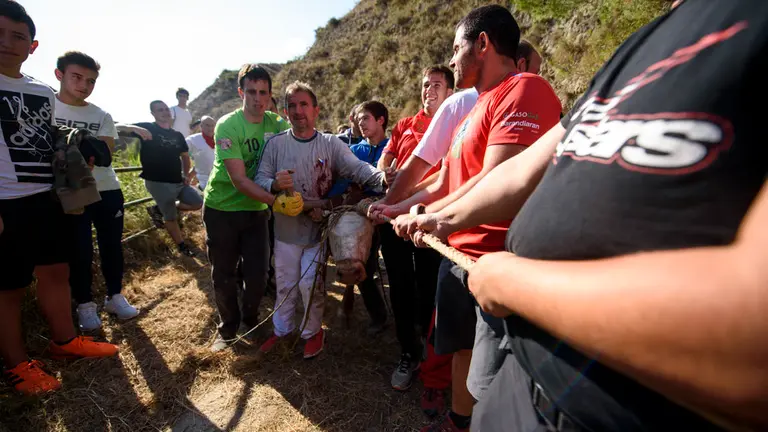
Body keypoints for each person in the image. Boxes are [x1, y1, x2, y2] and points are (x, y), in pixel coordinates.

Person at [403, 1, 768, 431]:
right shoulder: (644, 42)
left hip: (612, 412)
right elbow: (522, 171)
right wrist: (440, 220)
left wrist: (511, 283)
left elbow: (750, 340)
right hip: (523, 384)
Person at [375, 6, 562, 431]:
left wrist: (433, 219)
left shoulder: (525, 88)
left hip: (495, 262)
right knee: (461, 349)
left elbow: (499, 179)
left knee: (494, 378)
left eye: (457, 48)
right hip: (457, 256)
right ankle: (458, 422)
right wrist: (402, 209)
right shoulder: (476, 108)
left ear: (483, 44)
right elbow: (445, 180)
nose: (454, 58)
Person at [0, 0, 118, 396]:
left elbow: (53, 135)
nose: (7, 42)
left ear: (32, 46)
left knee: (56, 272)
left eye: (17, 36)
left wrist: (78, 140)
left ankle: (65, 342)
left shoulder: (42, 90)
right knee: (8, 288)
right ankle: (18, 366)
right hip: (6, 202)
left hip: (48, 198)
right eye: (0, 33)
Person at [255, 81, 387, 359]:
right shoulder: (275, 145)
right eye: (292, 105)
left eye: (304, 104)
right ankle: (281, 331)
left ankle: (312, 332)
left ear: (316, 110)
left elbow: (357, 169)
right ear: (286, 112)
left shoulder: (330, 144)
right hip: (284, 232)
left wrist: (384, 178)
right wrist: (275, 185)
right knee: (285, 282)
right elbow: (260, 178)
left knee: (310, 285)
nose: (297, 110)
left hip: (318, 230)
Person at [375, 65, 455, 393]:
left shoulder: (456, 123)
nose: (428, 90)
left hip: (430, 216)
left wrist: (412, 191)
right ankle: (408, 352)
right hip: (393, 215)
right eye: (425, 85)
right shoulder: (405, 124)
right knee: (401, 286)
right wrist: (385, 174)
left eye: (436, 84)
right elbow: (386, 157)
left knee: (429, 286)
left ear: (450, 93)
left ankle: (431, 350)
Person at [202, 64, 292, 353]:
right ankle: (227, 329)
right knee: (224, 273)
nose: (258, 98)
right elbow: (239, 180)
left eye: (263, 92)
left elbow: (293, 153)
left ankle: (250, 322)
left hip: (256, 211)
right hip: (222, 209)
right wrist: (277, 202)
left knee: (258, 275)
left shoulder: (277, 125)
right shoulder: (228, 125)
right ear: (241, 92)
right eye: (251, 91)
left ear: (269, 94)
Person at [53, 51, 138, 331]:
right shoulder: (46, 107)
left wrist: (85, 151)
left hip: (108, 189)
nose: (84, 85)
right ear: (59, 75)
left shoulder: (101, 114)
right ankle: (85, 305)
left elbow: (106, 155)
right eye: (77, 77)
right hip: (72, 192)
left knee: (112, 246)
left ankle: (114, 296)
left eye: (90, 81)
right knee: (79, 249)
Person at [117, 101, 203, 257]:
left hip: (178, 181)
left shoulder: (177, 135)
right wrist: (134, 128)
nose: (164, 112)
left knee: (197, 202)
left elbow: (185, 156)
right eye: (160, 110)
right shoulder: (147, 128)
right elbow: (117, 128)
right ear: (153, 114)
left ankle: (157, 209)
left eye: (166, 109)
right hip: (158, 182)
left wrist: (185, 175)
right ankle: (182, 246)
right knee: (170, 217)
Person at [185, 115, 216, 189]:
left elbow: (203, 161)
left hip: (222, 177)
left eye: (212, 125)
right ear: (201, 126)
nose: (210, 128)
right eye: (207, 125)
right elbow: (182, 156)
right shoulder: (191, 140)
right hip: (205, 180)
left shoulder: (220, 139)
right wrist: (186, 176)